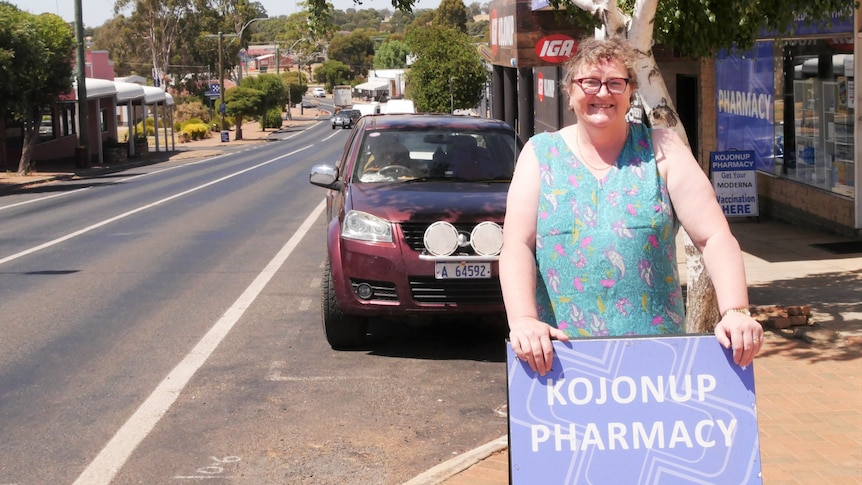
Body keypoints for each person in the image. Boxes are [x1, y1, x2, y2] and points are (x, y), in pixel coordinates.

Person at [499, 36, 763, 376]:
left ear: (630, 91)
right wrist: (523, 320)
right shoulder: (539, 154)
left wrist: (736, 311)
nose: (602, 93)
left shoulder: (662, 149)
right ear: (570, 90)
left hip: (655, 365)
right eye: (590, 82)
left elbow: (714, 236)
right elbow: (517, 244)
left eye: (615, 83)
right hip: (563, 365)